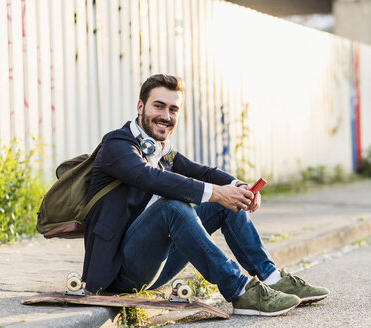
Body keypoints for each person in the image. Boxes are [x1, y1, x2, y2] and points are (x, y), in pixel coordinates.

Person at [82, 74, 329, 316]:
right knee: (173, 207)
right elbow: (149, 177)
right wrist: (216, 193)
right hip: (119, 272)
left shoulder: (162, 150)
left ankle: (273, 279)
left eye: (173, 109)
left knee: (223, 205)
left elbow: (202, 172)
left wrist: (238, 187)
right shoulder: (117, 144)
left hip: (158, 264)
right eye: (159, 106)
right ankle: (240, 291)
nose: (166, 116)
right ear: (140, 106)